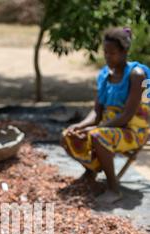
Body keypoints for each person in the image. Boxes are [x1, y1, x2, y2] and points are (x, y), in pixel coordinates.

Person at [61, 27, 150, 203]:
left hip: (132, 131)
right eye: (106, 53)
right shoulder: (104, 75)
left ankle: (113, 188)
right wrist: (80, 126)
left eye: (112, 53)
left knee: (97, 136)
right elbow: (96, 112)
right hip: (109, 127)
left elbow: (126, 116)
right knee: (68, 136)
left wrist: (96, 128)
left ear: (124, 52)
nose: (108, 57)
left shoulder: (136, 75)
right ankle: (91, 172)